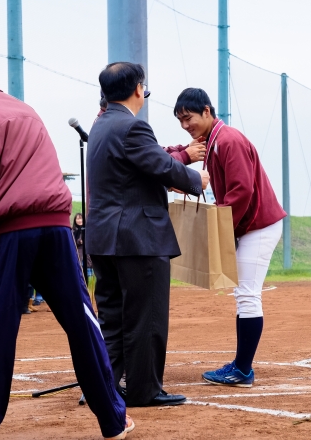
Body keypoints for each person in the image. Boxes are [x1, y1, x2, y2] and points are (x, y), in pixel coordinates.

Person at [0, 42, 132, 440]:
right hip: (56, 227)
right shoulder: (26, 111)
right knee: (82, 321)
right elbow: (14, 171)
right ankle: (114, 420)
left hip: (10, 233)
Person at [86, 62, 209, 407]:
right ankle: (144, 389)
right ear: (138, 89)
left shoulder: (100, 124)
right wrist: (196, 179)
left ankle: (106, 386)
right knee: (146, 316)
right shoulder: (132, 126)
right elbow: (161, 165)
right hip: (138, 237)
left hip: (104, 237)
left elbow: (135, 172)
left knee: (112, 318)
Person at [173, 88, 286, 387]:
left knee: (248, 294)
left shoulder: (228, 140)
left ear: (207, 111)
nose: (185, 125)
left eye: (189, 117)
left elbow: (242, 191)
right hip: (250, 226)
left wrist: (221, 232)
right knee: (244, 294)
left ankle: (243, 370)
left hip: (259, 225)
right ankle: (241, 365)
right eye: (180, 120)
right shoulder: (213, 141)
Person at [73, 213, 92, 278]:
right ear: (75, 220)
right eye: (78, 219)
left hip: (87, 255)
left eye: (81, 218)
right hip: (78, 255)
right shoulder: (73, 231)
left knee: (89, 276)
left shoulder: (88, 229)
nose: (79, 220)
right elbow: (72, 242)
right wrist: (79, 241)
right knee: (79, 276)